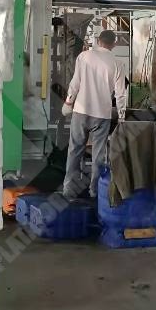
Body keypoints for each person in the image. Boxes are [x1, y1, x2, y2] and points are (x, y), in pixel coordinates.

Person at [61, 30, 127, 199]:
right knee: (99, 155)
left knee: (75, 150)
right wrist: (121, 117)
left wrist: (68, 102)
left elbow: (75, 83)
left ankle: (69, 190)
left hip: (81, 110)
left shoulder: (84, 57)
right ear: (114, 44)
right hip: (102, 115)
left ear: (98, 40)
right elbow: (121, 94)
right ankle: (95, 191)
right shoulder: (117, 63)